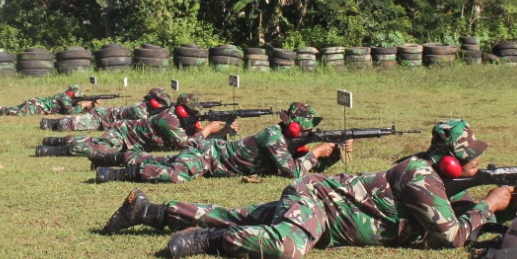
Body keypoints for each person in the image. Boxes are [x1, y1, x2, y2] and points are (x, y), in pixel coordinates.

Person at [104, 118, 517, 259]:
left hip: (324, 208)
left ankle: (150, 212)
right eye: (471, 158)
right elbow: (448, 235)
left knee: (243, 216)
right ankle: (209, 241)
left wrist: (512, 202)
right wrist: (487, 207)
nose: (477, 163)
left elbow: (443, 214)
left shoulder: (432, 180)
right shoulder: (421, 176)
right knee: (289, 245)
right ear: (449, 160)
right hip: (318, 202)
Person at [95, 102, 344, 184]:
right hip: (207, 157)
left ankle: (109, 159)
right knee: (176, 176)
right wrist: (317, 152)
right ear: (294, 125)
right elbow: (293, 171)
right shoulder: (274, 137)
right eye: (305, 127)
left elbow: (303, 163)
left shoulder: (286, 139)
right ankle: (116, 175)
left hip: (208, 152)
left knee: (161, 160)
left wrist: (332, 153)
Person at [36, 92, 230, 160]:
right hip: (123, 134)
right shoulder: (168, 118)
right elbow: (186, 145)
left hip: (131, 140)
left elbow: (196, 140)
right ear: (180, 109)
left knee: (95, 142)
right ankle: (50, 151)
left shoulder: (179, 120)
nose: (195, 115)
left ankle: (57, 140)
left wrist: (222, 132)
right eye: (191, 111)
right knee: (98, 149)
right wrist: (207, 129)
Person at [43, 86, 171, 132]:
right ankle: (49, 123)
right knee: (70, 125)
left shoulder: (148, 109)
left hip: (107, 120)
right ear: (153, 101)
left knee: (76, 121)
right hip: (102, 117)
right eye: (161, 103)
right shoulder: (139, 109)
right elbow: (144, 125)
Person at [0, 84, 87, 118]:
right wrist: (82, 105)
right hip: (35, 106)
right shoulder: (64, 97)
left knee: (13, 109)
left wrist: (90, 105)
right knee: (14, 112)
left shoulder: (66, 97)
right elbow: (70, 112)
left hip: (35, 104)